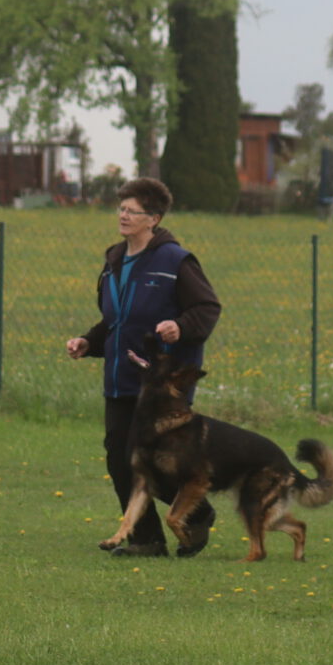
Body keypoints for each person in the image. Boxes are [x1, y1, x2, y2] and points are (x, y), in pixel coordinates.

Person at [67, 176, 222, 554]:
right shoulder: (114, 260)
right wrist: (89, 342)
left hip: (163, 384)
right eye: (121, 208)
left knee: (155, 461)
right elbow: (117, 321)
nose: (123, 215)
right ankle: (147, 540)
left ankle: (196, 512)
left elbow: (206, 308)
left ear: (154, 219)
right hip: (121, 379)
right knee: (120, 461)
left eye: (132, 211)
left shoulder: (176, 261)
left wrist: (180, 327)